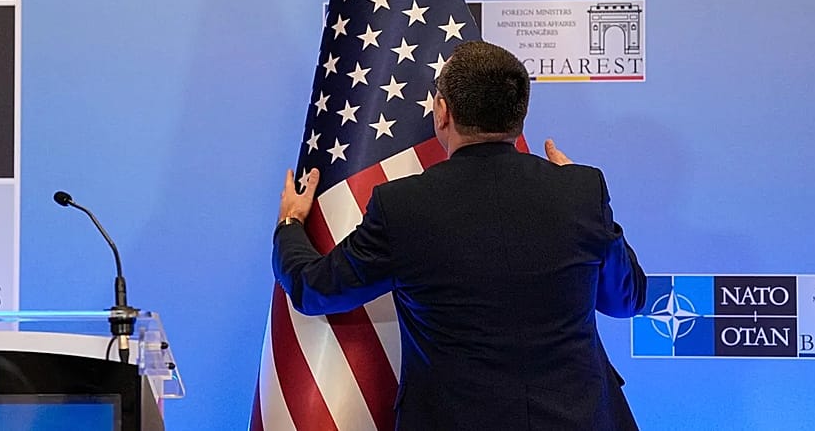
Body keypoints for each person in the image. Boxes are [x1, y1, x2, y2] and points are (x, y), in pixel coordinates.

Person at [273, 40, 646, 430]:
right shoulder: (581, 189)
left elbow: (316, 289)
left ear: (442, 112)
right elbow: (627, 299)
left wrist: (290, 225)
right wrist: (584, 201)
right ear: (521, 113)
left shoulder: (402, 206)